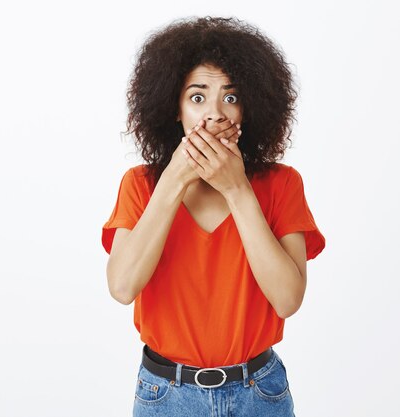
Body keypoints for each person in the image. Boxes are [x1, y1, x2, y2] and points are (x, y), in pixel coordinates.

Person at [101, 16, 326, 417]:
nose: (215, 114)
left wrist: (237, 188)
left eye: (232, 97)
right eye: (198, 97)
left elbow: (288, 299)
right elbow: (122, 287)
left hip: (260, 393)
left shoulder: (282, 184)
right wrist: (174, 179)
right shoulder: (140, 184)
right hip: (165, 395)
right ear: (175, 108)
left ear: (250, 108)